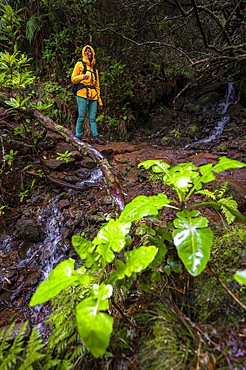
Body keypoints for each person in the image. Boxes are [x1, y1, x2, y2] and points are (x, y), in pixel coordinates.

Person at [71, 45, 103, 144]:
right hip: (82, 93)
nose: (87, 53)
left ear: (92, 53)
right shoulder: (79, 64)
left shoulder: (95, 70)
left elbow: (97, 86)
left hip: (93, 95)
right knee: (81, 116)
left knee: (93, 118)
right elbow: (73, 79)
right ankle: (78, 136)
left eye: (89, 52)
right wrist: (82, 77)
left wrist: (99, 100)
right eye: (86, 52)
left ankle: (95, 136)